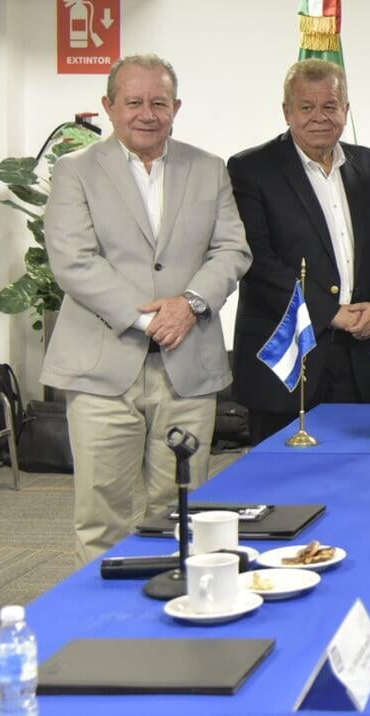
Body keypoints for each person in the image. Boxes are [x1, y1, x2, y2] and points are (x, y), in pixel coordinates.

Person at [42, 54, 250, 561]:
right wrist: (150, 319)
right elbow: (73, 261)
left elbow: (232, 250)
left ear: (176, 107)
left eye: (159, 102)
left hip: (188, 368)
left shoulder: (209, 168)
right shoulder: (75, 172)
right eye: (133, 102)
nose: (147, 113)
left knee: (182, 514)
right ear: (109, 106)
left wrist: (190, 305)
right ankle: (102, 613)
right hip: (101, 371)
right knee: (102, 521)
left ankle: (178, 603)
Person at [227, 60, 370, 444]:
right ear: (286, 111)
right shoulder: (251, 169)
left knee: (355, 470)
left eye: (330, 106)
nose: (319, 117)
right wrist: (329, 312)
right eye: (307, 107)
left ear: (346, 110)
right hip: (287, 362)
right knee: (282, 477)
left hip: (359, 355)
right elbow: (256, 261)